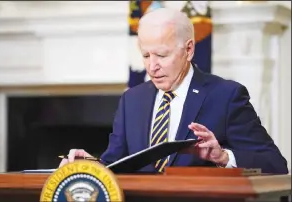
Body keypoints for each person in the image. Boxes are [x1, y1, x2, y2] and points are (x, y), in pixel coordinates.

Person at [59, 8, 288, 174]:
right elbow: (116, 163)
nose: (152, 66)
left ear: (188, 50)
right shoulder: (132, 100)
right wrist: (89, 164)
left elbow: (275, 164)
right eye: (146, 55)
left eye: (161, 55)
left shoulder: (226, 96)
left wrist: (223, 157)